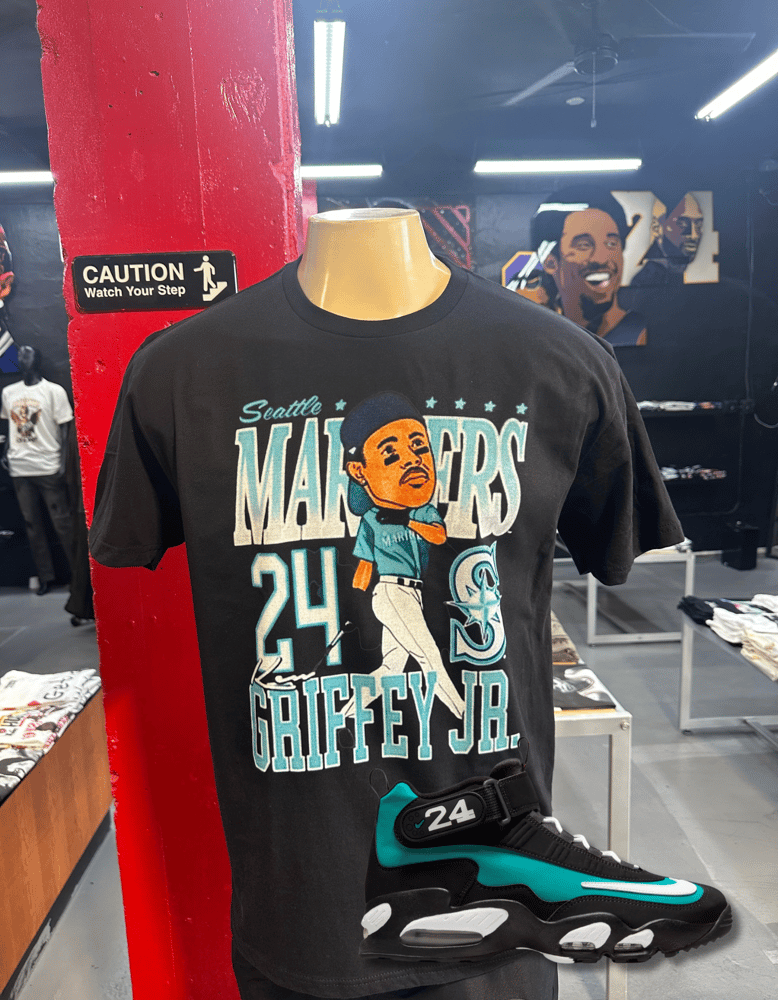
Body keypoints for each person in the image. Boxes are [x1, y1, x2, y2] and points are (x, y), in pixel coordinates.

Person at [340, 391, 465, 719]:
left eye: (419, 446)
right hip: (391, 593)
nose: (412, 460)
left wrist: (405, 520)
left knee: (391, 667)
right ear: (359, 471)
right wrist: (350, 607)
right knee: (430, 659)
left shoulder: (423, 511)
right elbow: (364, 566)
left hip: (413, 594)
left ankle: (344, 714)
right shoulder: (371, 519)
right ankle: (464, 714)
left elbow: (438, 535)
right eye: (391, 454)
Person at [530, 186, 647, 345]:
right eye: (584, 245)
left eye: (611, 243)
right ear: (550, 262)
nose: (601, 259)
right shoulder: (545, 339)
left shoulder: (638, 332)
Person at [1, 346, 74, 594]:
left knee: (62, 524)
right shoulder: (9, 392)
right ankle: (45, 576)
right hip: (20, 468)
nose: (23, 357)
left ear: (38, 358)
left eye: (28, 353)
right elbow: (11, 426)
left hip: (48, 466)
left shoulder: (53, 391)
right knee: (32, 526)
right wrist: (7, 452)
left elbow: (65, 429)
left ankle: (78, 578)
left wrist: (63, 464)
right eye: (20, 354)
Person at [631, 192, 704, 287]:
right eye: (682, 224)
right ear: (656, 228)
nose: (694, 235)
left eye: (698, 225)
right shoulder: (645, 282)